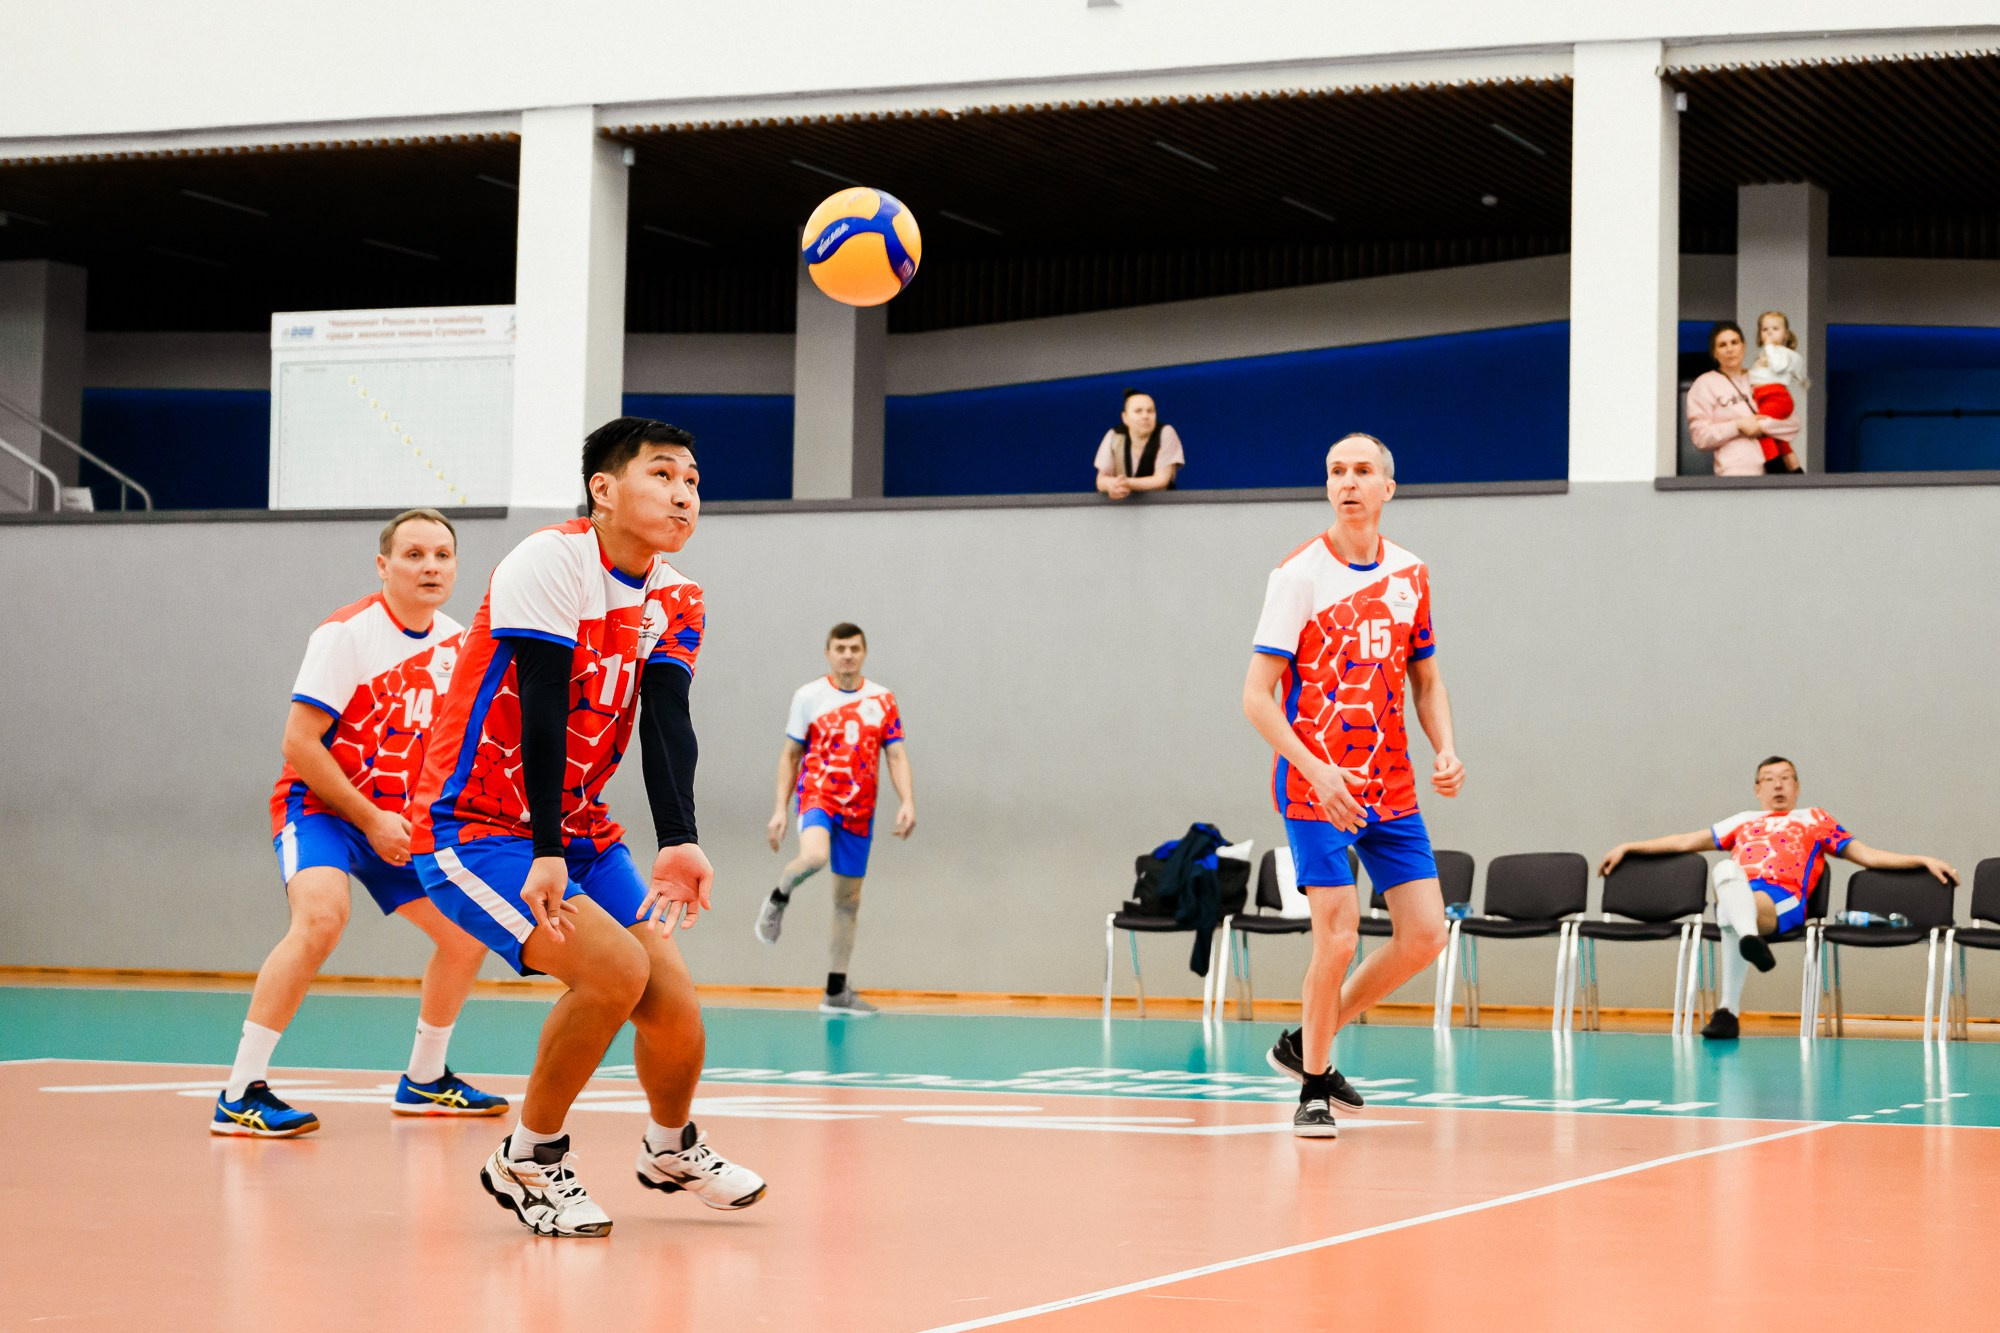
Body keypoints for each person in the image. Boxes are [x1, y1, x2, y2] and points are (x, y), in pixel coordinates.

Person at [410, 418, 765, 1238]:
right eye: (663, 475)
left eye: (693, 480)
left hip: (581, 827)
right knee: (612, 972)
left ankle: (670, 1146)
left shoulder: (677, 596)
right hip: (474, 825)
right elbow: (541, 700)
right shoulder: (551, 560)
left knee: (674, 1001)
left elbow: (667, 720)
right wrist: (543, 850)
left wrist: (678, 835)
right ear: (604, 490)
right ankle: (529, 1157)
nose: (684, 494)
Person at [214, 508, 507, 1138]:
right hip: (322, 806)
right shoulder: (346, 635)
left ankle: (425, 1080)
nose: (430, 566)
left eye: (442, 555)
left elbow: (453, 753)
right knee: (322, 918)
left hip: (399, 820)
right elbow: (299, 743)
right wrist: (370, 817)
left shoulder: (459, 645)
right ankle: (240, 1092)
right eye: (414, 554)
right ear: (384, 566)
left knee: (466, 933)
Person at [1241, 432, 1462, 1138]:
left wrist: (1446, 748)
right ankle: (1312, 1083)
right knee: (1336, 937)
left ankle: (1310, 1037)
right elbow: (1256, 697)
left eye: (1363, 471)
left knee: (1426, 932)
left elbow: (1424, 678)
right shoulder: (1298, 574)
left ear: (1387, 488)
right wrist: (1315, 767)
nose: (1348, 481)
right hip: (1315, 782)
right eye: (1337, 470)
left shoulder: (1411, 573)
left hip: (1388, 780)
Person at [1600, 756, 1959, 1041]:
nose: (1778, 784)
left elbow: (1868, 856)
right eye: (1770, 778)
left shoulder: (1815, 819)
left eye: (1786, 777)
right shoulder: (1742, 820)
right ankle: (1746, 951)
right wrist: (1629, 846)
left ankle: (1730, 1009)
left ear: (1797, 787)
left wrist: (1922, 859)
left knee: (1728, 910)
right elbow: (1683, 842)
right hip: (1740, 895)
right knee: (1725, 873)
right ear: (1757, 789)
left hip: (1782, 901)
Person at [754, 624, 915, 1015]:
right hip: (819, 796)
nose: (847, 655)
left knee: (848, 901)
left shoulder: (882, 699)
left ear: (864, 653)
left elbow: (895, 755)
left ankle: (836, 989)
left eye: (854, 648)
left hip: (860, 809)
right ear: (828, 652)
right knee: (814, 857)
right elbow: (790, 755)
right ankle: (779, 896)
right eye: (840, 648)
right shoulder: (809, 697)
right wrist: (780, 808)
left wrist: (907, 800)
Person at [1686, 320, 1799, 477]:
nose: (1730, 349)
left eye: (1734, 342)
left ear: (1743, 346)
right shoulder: (1704, 384)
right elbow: (1700, 437)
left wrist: (1760, 426)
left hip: (1776, 472)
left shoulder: (1762, 377)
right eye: (1722, 345)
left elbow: (1792, 424)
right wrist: (1738, 426)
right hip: (1735, 475)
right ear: (1714, 352)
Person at [1747, 310, 1808, 473]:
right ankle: (1795, 471)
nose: (1770, 333)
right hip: (1766, 398)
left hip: (1775, 397)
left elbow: (1778, 366)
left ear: (1785, 334)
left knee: (1760, 430)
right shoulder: (1767, 353)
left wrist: (1769, 347)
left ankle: (1775, 469)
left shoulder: (1782, 353)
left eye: (1775, 329)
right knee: (1778, 438)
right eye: (1765, 329)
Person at [1094, 388, 1184, 499]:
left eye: (1150, 411)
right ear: (1125, 417)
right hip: (1123, 508)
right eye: (1138, 411)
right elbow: (1100, 480)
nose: (1145, 416)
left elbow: (1161, 480)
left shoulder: (1166, 432)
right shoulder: (1114, 435)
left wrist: (1125, 483)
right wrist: (1110, 485)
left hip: (1162, 507)